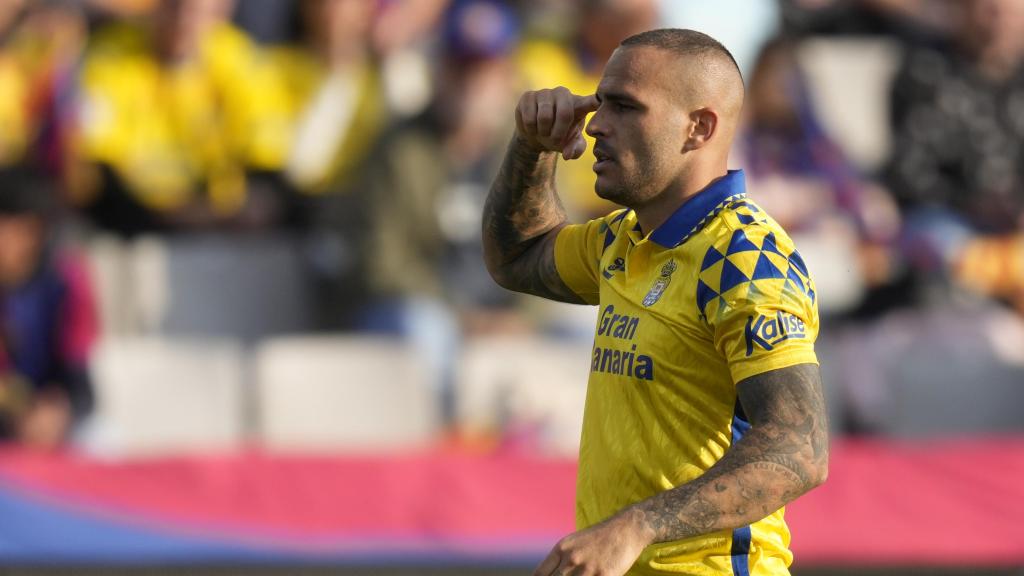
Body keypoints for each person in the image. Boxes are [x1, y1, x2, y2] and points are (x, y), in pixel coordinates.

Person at [482, 29, 829, 575]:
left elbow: (798, 448)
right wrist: (532, 147)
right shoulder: (623, 238)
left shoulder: (743, 258)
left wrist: (636, 526)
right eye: (599, 104)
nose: (595, 124)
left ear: (700, 127)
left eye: (624, 107)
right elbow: (517, 256)